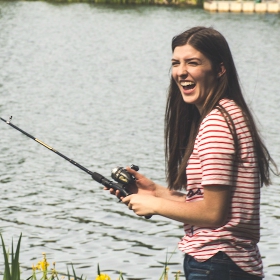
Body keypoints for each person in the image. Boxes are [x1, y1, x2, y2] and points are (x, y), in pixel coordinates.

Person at [108, 26, 277, 279]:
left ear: (220, 69)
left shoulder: (217, 124)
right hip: (229, 263)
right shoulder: (228, 113)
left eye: (193, 62)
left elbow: (212, 214)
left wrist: (154, 205)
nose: (181, 71)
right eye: (176, 63)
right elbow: (211, 203)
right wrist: (155, 192)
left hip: (217, 262)